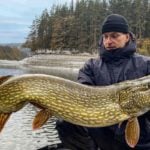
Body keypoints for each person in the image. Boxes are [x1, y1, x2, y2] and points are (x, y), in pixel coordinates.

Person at [51, 14, 150, 150]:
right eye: (105, 36)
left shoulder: (145, 65)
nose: (108, 41)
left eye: (114, 36)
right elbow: (81, 95)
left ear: (127, 37)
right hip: (101, 139)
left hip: (140, 141)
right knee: (65, 122)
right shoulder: (91, 66)